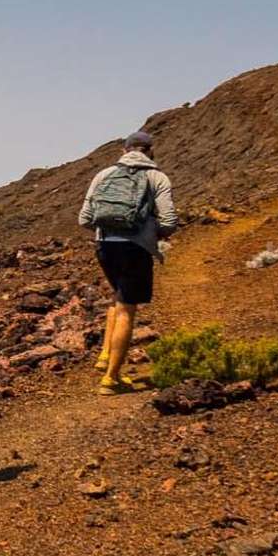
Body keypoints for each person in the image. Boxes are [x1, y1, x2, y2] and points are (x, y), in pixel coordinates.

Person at [78, 130, 177, 395]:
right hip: (135, 249)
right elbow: (169, 221)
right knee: (126, 309)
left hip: (105, 246)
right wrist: (151, 232)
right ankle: (111, 379)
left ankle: (105, 355)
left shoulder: (104, 175)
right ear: (150, 151)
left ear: (124, 151)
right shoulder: (157, 177)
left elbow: (85, 219)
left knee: (117, 299)